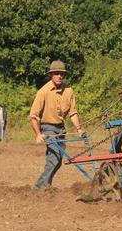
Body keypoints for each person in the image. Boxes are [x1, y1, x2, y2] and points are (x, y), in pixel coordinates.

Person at [30, 60, 84, 191]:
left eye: (62, 74)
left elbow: (73, 112)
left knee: (58, 160)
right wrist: (38, 134)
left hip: (61, 129)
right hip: (48, 128)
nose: (60, 76)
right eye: (56, 74)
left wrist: (79, 129)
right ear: (51, 75)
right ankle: (39, 187)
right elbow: (33, 116)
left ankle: (46, 184)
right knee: (53, 158)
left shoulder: (69, 91)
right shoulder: (43, 92)